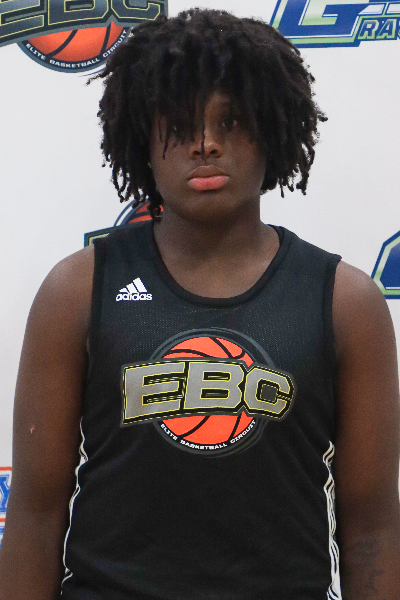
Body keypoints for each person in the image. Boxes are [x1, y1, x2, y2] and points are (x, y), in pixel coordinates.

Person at [0, 8, 399, 600]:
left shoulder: (347, 303)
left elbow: (372, 531)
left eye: (230, 121)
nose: (205, 143)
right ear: (142, 138)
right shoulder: (77, 290)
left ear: (272, 129)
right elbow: (34, 517)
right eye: (179, 124)